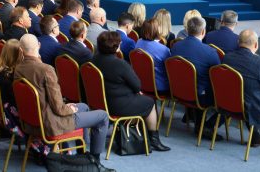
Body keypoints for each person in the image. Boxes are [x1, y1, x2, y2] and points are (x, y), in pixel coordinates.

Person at [15, 35, 117, 169]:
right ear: (38, 45)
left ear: (21, 50)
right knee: (103, 116)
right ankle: (95, 161)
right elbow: (59, 108)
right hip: (53, 123)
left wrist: (66, 106)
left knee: (84, 106)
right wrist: (69, 109)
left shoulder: (18, 69)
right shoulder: (46, 69)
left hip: (32, 122)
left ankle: (82, 153)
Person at [91, 32, 170, 153]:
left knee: (141, 99)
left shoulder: (93, 60)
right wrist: (136, 92)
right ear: (116, 46)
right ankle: (154, 140)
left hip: (100, 103)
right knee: (150, 102)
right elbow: (137, 85)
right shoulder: (120, 64)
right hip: (117, 105)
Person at [171, 16, 220, 138]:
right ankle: (206, 126)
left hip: (177, 91)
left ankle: (193, 118)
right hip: (198, 96)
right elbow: (218, 76)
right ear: (203, 32)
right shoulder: (210, 52)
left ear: (187, 30)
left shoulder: (176, 46)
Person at [134, 19, 170, 92]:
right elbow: (170, 69)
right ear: (156, 30)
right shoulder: (164, 49)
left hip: (140, 83)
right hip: (159, 86)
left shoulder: (138, 42)